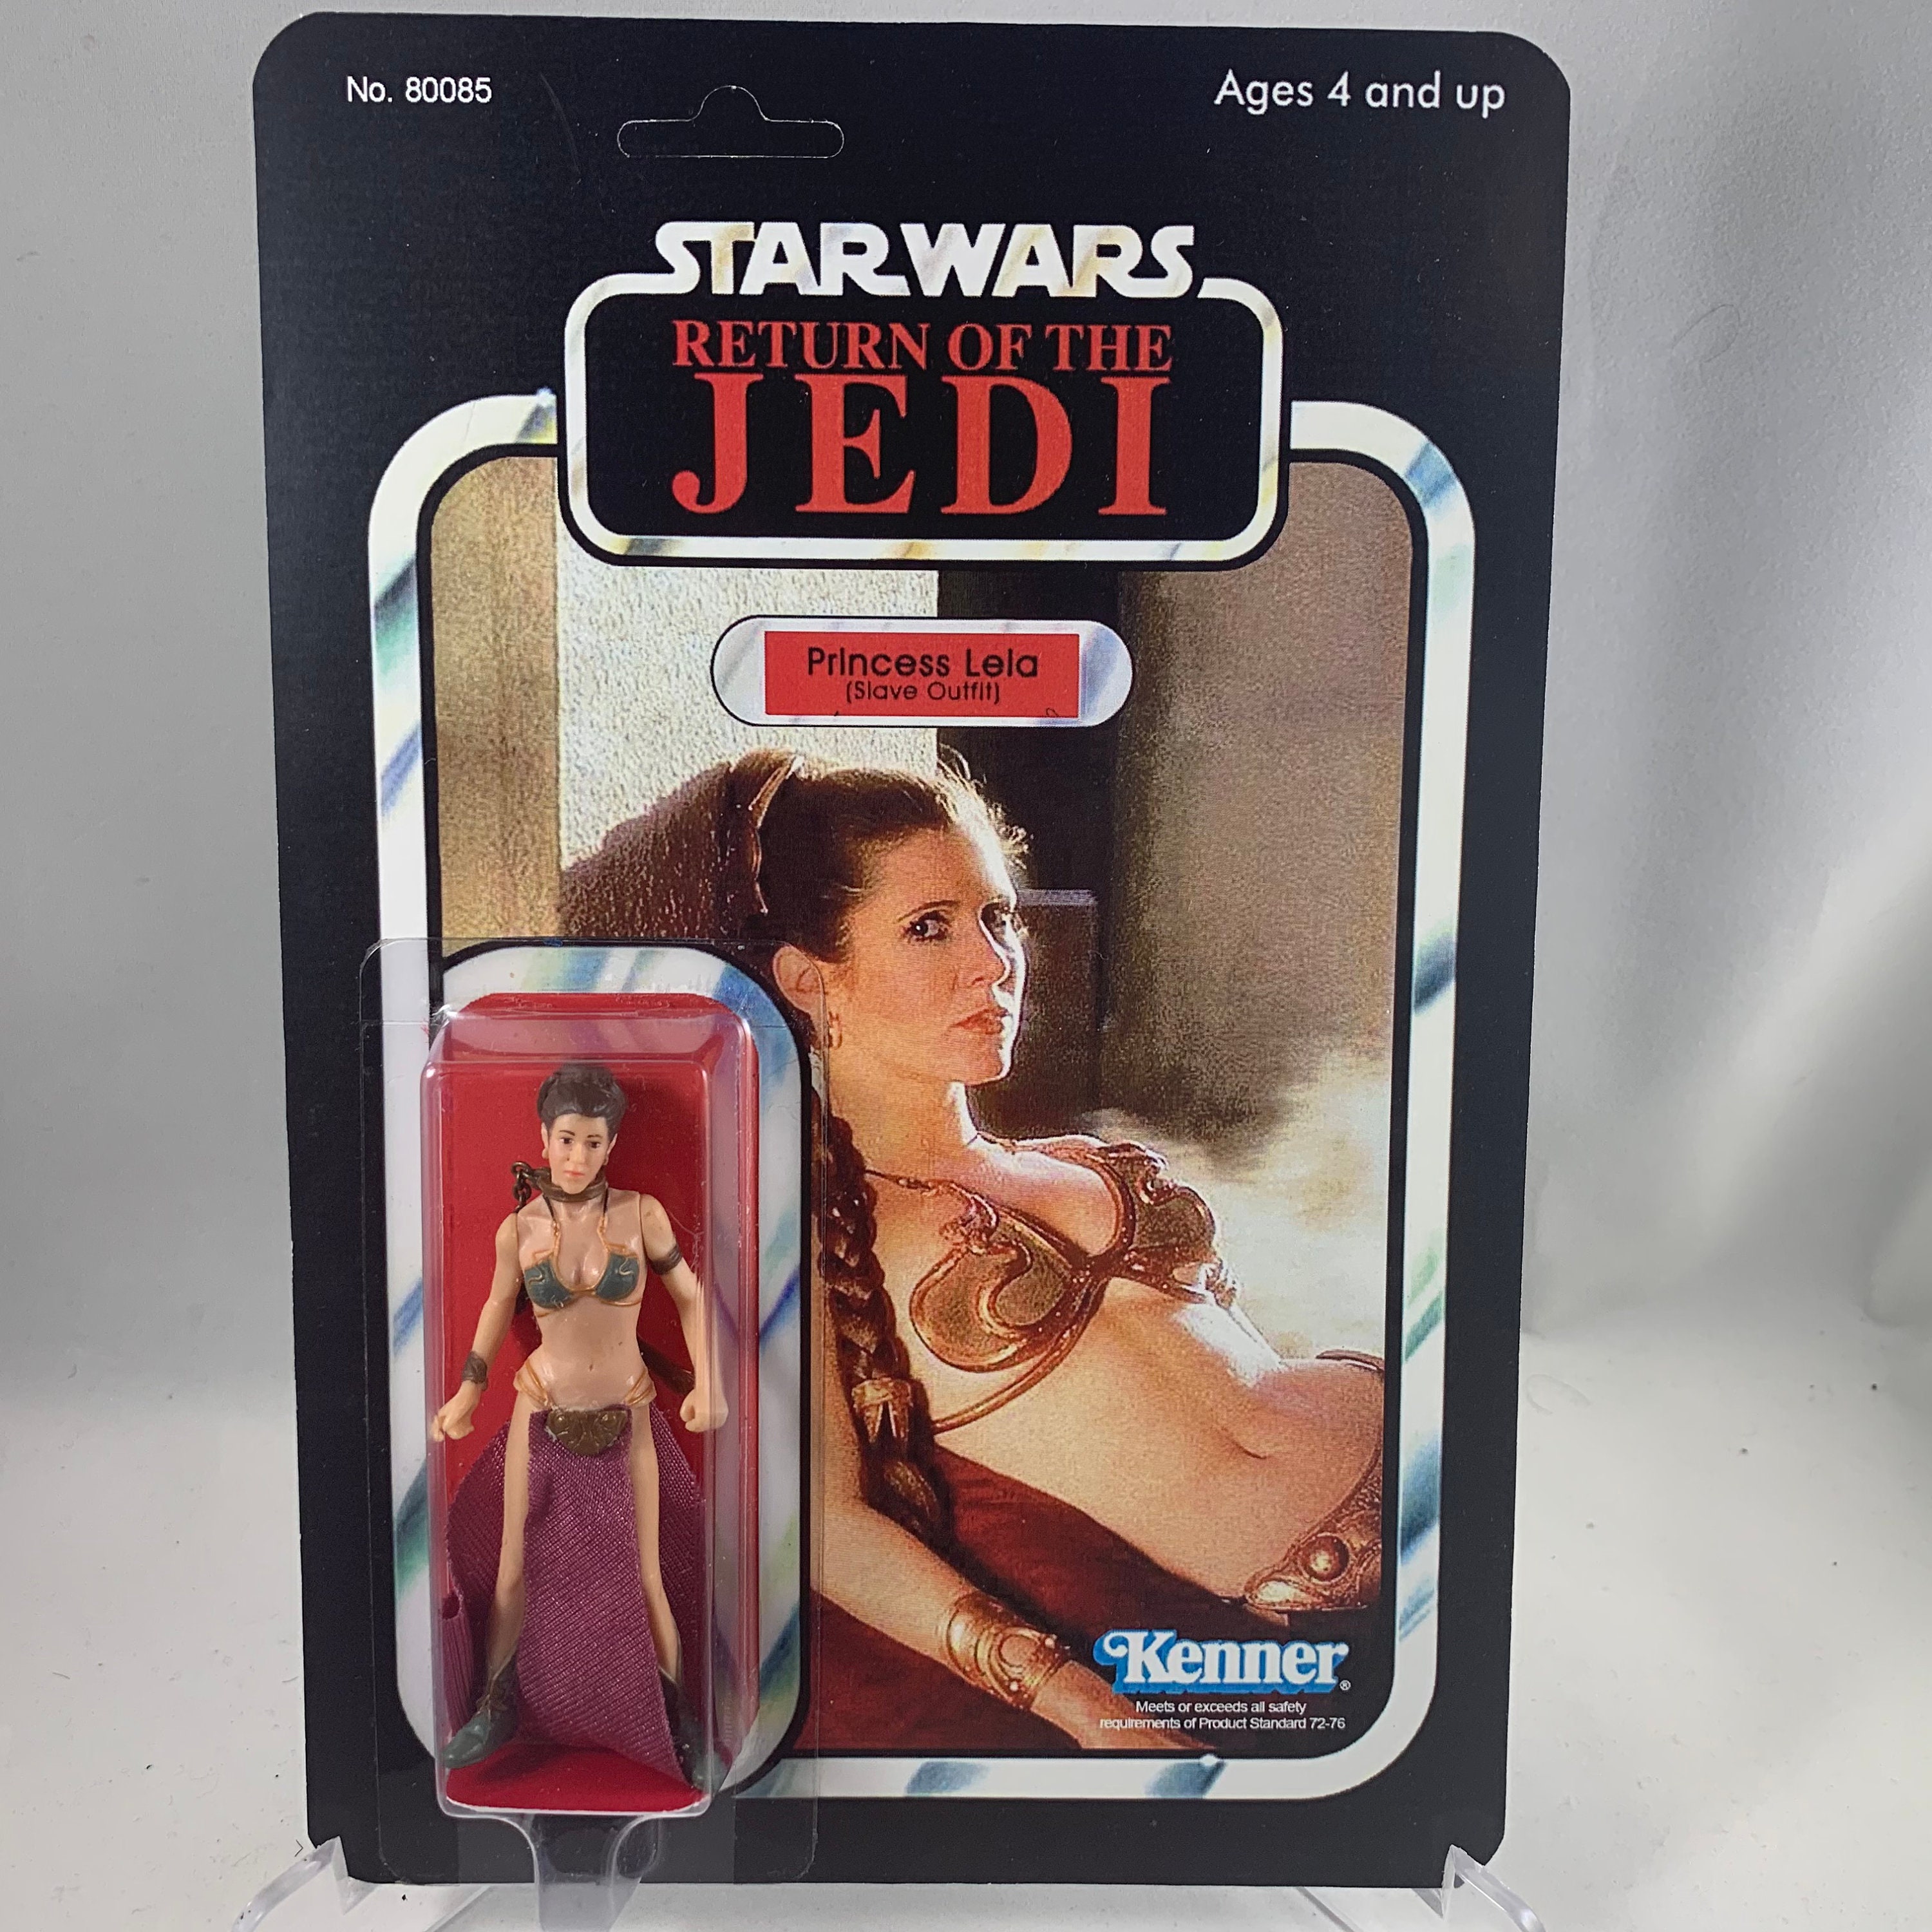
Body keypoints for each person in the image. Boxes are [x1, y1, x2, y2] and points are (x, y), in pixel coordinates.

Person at [562, 753, 1384, 1753]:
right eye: (930, 927)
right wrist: (1079, 1703)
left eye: (999, 917)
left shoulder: (1080, 1158)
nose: (994, 964)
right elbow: (822, 1526)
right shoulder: (799, 1237)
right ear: (809, 980)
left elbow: (1233, 1370)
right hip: (1323, 1629)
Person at [431, 1061, 729, 1781]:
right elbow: (496, 1308)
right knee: (513, 1567)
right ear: (544, 1137)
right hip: (541, 1405)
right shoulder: (520, 1230)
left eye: (593, 1142)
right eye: (566, 1139)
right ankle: (496, 1704)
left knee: (644, 1572)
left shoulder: (641, 1214)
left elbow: (691, 1297)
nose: (577, 1156)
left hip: (628, 1407)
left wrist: (711, 1383)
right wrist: (468, 1392)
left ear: (611, 1145)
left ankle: (676, 1715)